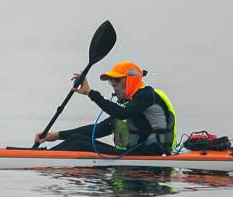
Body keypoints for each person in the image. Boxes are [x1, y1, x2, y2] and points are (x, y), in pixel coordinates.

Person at [35, 61, 178, 156]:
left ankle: (38, 159)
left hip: (153, 154)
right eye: (111, 81)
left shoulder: (147, 95)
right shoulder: (132, 104)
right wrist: (56, 135)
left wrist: (90, 93)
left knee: (79, 143)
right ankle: (39, 156)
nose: (113, 84)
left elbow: (122, 113)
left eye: (117, 80)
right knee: (77, 138)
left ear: (131, 79)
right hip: (134, 154)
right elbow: (100, 129)